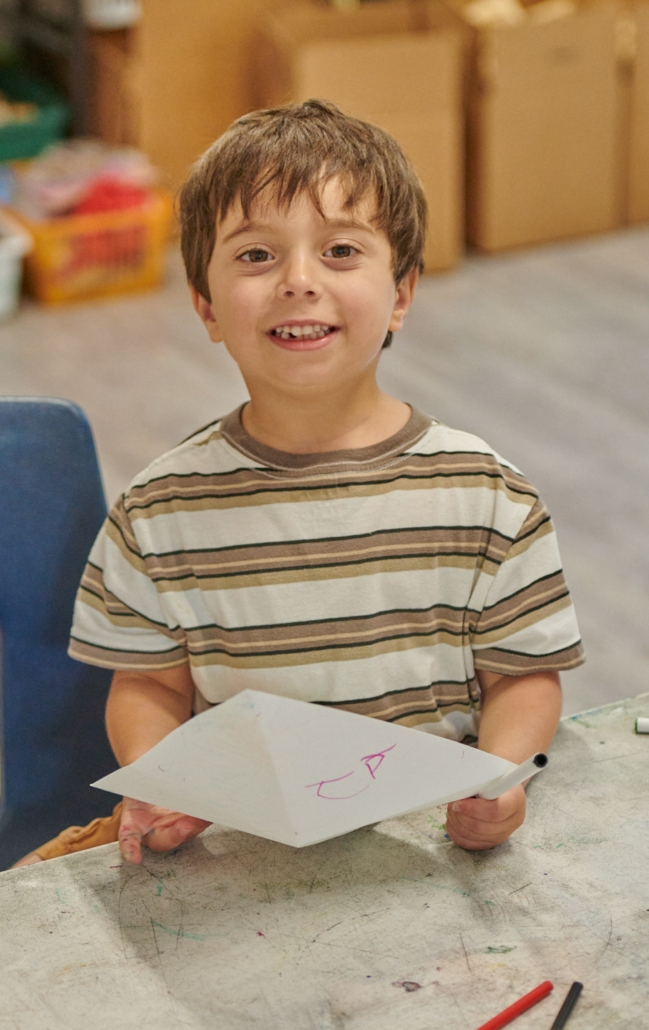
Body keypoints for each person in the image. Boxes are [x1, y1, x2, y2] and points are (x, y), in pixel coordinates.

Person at [15, 99, 584, 868]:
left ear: (401, 294)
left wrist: (499, 782)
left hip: (428, 851)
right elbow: (150, 687)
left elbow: (523, 676)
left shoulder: (489, 497)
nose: (298, 281)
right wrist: (165, 784)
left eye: (341, 250)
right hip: (245, 852)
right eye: (256, 255)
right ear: (206, 307)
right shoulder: (156, 511)